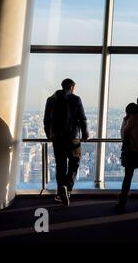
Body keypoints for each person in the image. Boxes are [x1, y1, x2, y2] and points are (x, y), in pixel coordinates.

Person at [43, 78, 89, 206]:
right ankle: (67, 188)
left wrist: (49, 134)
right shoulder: (76, 99)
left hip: (57, 138)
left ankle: (60, 191)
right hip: (72, 137)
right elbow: (82, 118)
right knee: (74, 162)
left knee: (60, 165)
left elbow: (46, 120)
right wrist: (85, 133)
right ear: (72, 87)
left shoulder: (51, 100)